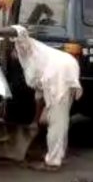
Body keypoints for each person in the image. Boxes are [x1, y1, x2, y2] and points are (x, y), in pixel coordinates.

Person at [9, 25, 82, 171]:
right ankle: (59, 154)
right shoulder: (35, 53)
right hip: (66, 67)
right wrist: (35, 121)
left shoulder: (28, 50)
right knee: (61, 118)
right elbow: (39, 95)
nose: (13, 55)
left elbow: (21, 33)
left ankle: (53, 162)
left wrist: (4, 30)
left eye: (14, 52)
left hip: (58, 74)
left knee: (56, 121)